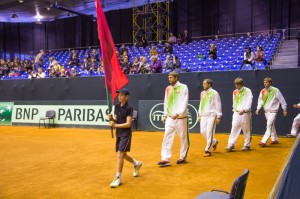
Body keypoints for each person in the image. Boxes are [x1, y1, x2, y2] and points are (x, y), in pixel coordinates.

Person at [107, 88, 142, 188]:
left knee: (120, 154)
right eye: (118, 95)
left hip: (126, 134)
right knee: (124, 154)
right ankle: (136, 163)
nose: (119, 97)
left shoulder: (129, 108)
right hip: (119, 133)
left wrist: (115, 126)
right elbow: (117, 120)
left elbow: (128, 124)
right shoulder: (117, 107)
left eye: (122, 95)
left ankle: (118, 177)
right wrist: (112, 119)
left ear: (127, 97)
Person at [157, 71, 189, 166]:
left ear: (176, 78)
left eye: (171, 77)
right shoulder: (168, 89)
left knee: (183, 138)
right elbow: (166, 102)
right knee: (167, 136)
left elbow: (185, 102)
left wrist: (178, 113)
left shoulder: (184, 87)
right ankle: (166, 159)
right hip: (170, 118)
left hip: (181, 118)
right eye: (169, 77)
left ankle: (183, 157)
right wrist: (165, 115)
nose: (169, 79)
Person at [256, 77, 287, 146]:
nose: (265, 83)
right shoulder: (262, 91)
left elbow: (282, 100)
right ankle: (275, 139)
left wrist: (284, 109)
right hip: (266, 112)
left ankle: (263, 141)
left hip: (273, 112)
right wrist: (258, 108)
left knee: (269, 125)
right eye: (264, 82)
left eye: (266, 82)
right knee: (271, 126)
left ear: (270, 83)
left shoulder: (276, 90)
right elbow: (260, 101)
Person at [225, 78, 253, 151]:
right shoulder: (234, 92)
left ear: (241, 84)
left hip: (245, 113)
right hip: (236, 113)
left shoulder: (248, 91)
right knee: (234, 128)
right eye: (235, 84)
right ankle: (231, 144)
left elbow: (249, 101)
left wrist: (244, 110)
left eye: (238, 84)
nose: (236, 86)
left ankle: (247, 145)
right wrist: (235, 109)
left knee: (246, 129)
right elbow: (234, 102)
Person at [198, 79, 222, 157]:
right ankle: (214, 142)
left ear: (209, 84)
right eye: (203, 83)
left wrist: (219, 116)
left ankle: (207, 149)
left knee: (209, 132)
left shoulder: (215, 93)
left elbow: (218, 104)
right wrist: (200, 115)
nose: (203, 85)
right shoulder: (202, 93)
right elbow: (201, 104)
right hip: (204, 115)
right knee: (202, 131)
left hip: (212, 115)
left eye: (204, 84)